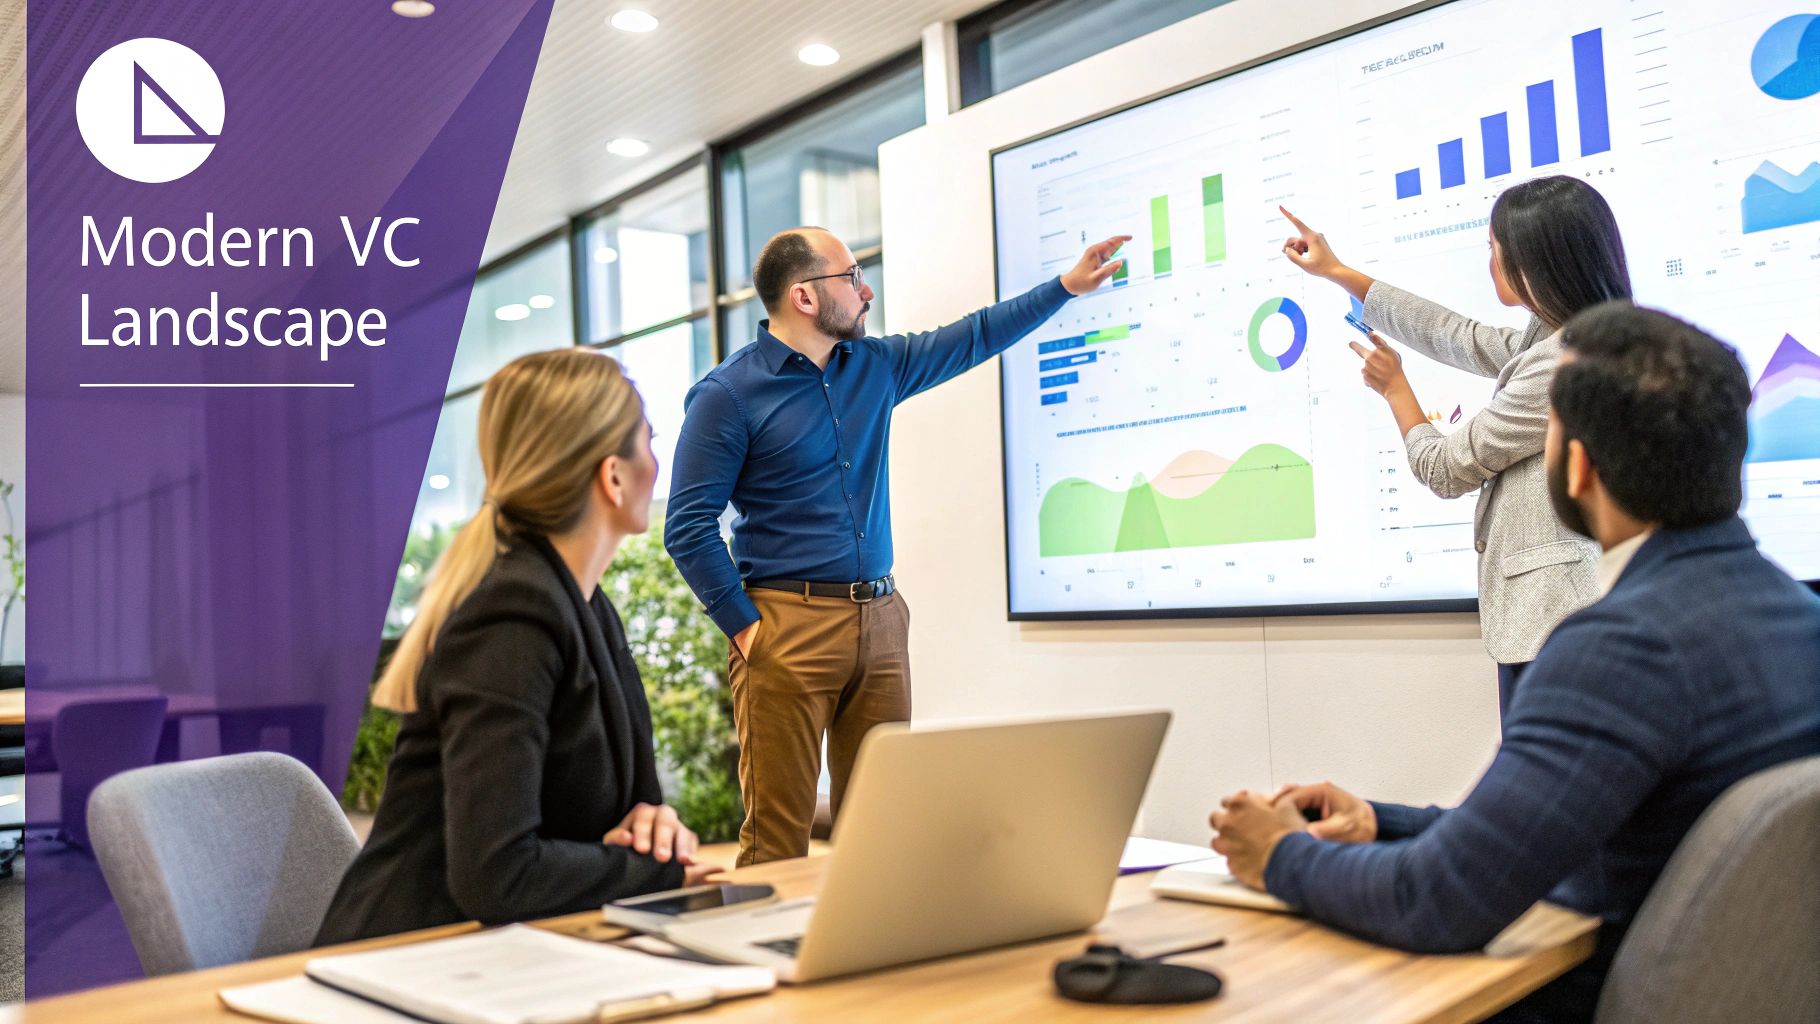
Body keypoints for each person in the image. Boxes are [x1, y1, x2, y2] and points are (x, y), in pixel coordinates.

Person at [1207, 304, 1820, 1022]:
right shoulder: (1795, 618)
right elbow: (1551, 833)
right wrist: (1382, 821)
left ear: (1579, 465)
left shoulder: (1619, 647)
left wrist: (1278, 855)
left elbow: (1437, 902)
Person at [666, 227, 1128, 865]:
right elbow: (688, 525)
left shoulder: (875, 367)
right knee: (778, 842)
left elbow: (971, 336)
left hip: (881, 622)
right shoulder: (727, 395)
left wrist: (1065, 288)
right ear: (804, 296)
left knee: (880, 831)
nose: (866, 290)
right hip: (785, 625)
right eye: (851, 276)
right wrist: (748, 630)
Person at [316, 349, 718, 945]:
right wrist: (656, 869)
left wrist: (652, 829)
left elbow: (631, 806)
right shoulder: (514, 617)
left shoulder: (586, 606)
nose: (660, 463)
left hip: (513, 947)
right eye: (650, 441)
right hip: (405, 955)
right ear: (612, 475)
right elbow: (497, 875)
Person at [1280, 176, 1633, 713]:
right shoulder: (1566, 337)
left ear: (1535, 259)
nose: (1488, 261)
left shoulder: (1562, 363)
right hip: (1560, 624)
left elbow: (1445, 469)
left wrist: (1396, 390)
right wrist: (1339, 272)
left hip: (1554, 626)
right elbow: (1456, 335)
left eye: (1494, 249)